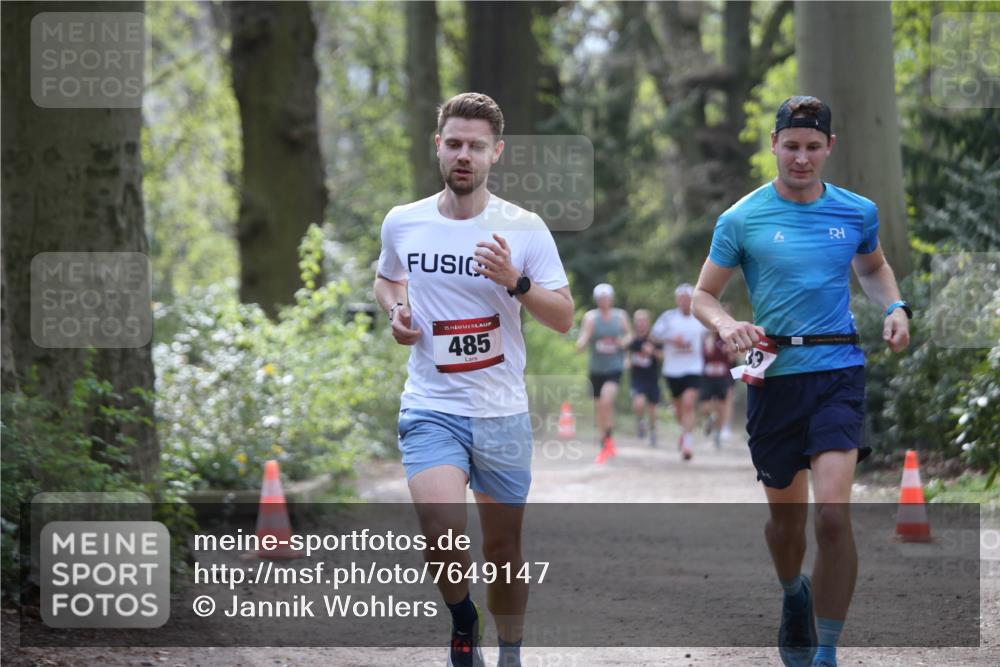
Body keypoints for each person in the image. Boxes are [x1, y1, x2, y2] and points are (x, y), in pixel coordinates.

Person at [691, 96, 911, 667]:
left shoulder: (857, 212)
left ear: (829, 148)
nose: (802, 158)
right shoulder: (742, 218)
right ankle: (794, 593)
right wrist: (727, 323)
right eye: (792, 146)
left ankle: (827, 650)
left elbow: (873, 267)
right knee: (785, 527)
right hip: (774, 381)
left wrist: (895, 308)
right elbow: (702, 295)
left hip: (838, 372)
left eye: (813, 147)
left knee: (833, 517)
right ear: (774, 144)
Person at [374, 92, 573, 667]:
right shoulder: (403, 221)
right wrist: (397, 312)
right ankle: (464, 619)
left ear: (496, 153)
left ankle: (510, 649)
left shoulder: (524, 228)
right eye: (454, 143)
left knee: (505, 548)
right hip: (431, 404)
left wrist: (515, 281)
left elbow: (563, 317)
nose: (464, 154)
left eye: (476, 146)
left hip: (502, 411)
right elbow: (387, 281)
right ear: (438, 146)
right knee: (441, 531)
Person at [575, 283, 632, 463]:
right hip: (596, 369)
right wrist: (584, 340)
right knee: (600, 408)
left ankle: (607, 440)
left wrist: (623, 343)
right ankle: (605, 440)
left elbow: (630, 335)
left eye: (606, 298)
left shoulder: (620, 316)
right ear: (597, 300)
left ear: (611, 299)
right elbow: (582, 341)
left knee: (607, 400)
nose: (604, 302)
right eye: (600, 299)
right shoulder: (591, 318)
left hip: (614, 367)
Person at [652, 283, 706, 461]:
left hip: (694, 367)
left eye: (688, 299)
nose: (684, 302)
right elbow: (653, 336)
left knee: (689, 403)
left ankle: (688, 444)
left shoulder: (699, 317)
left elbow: (712, 333)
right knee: (678, 409)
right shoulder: (668, 318)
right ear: (677, 300)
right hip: (672, 370)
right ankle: (684, 432)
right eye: (682, 299)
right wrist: (670, 339)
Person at [627, 309, 664, 447]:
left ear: (648, 323)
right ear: (635, 323)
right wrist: (627, 361)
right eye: (638, 321)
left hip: (652, 379)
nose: (641, 324)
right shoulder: (632, 339)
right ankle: (640, 421)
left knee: (653, 409)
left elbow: (662, 355)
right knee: (639, 403)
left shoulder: (654, 339)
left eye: (643, 321)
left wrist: (652, 351)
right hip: (637, 378)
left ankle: (653, 432)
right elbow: (627, 352)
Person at [699, 329, 736, 449]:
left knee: (721, 407)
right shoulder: (704, 337)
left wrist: (731, 350)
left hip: (722, 377)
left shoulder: (726, 338)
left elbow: (732, 358)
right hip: (707, 377)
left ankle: (717, 435)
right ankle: (710, 419)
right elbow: (705, 354)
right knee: (704, 407)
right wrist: (709, 341)